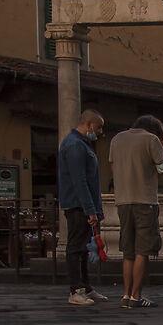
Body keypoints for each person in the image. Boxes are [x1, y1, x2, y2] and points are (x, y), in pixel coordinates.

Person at [107, 112, 163, 309]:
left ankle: (125, 295)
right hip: (145, 201)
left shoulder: (117, 139)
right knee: (142, 250)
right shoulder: (151, 140)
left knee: (128, 251)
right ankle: (136, 296)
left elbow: (112, 165)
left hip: (123, 201)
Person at [58, 109, 106, 307]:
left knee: (84, 248)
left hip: (82, 204)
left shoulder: (80, 144)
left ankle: (85, 287)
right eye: (99, 127)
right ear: (90, 125)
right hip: (78, 205)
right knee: (76, 247)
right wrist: (90, 209)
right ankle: (75, 289)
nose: (101, 131)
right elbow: (80, 180)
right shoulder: (75, 146)